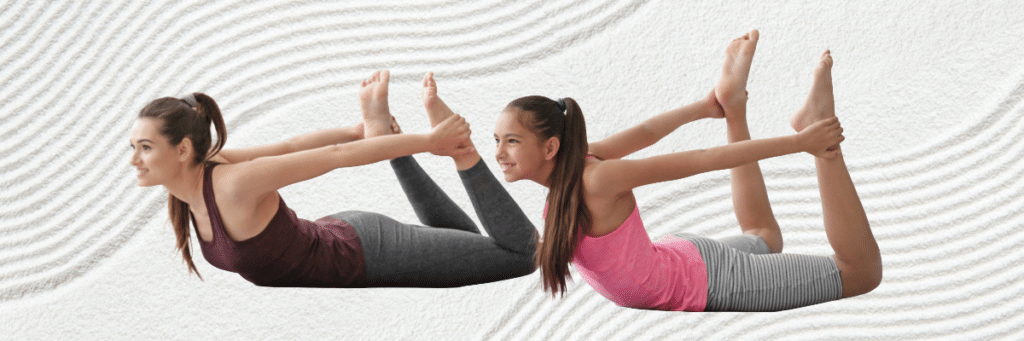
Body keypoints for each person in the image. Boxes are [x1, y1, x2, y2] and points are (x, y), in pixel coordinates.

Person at [487, 30, 882, 311]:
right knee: (764, 237)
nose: (500, 153)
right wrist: (707, 106)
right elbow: (644, 132)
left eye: (512, 141)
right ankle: (735, 105)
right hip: (681, 257)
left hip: (705, 280)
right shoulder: (575, 167)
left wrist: (802, 143)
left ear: (551, 147)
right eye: (497, 140)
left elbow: (702, 160)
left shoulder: (595, 180)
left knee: (861, 274)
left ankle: (824, 145)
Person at [128, 70, 537, 288]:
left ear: (182, 150)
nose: (134, 160)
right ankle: (389, 137)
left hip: (370, 253)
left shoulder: (231, 184)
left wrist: (431, 141)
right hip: (348, 242)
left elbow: (332, 159)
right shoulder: (196, 185)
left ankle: (459, 151)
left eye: (145, 147)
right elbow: (288, 147)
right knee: (466, 247)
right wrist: (355, 129)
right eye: (134, 147)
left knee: (523, 257)